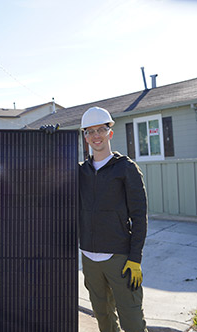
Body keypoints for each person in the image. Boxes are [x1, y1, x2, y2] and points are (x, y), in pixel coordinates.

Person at [79, 107, 148, 332]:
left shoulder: (126, 169)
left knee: (133, 322)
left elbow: (139, 217)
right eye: (90, 131)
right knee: (104, 319)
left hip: (119, 259)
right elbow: (46, 171)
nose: (96, 135)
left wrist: (135, 258)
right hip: (89, 259)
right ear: (85, 137)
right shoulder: (80, 172)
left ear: (110, 132)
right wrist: (47, 140)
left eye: (101, 129)